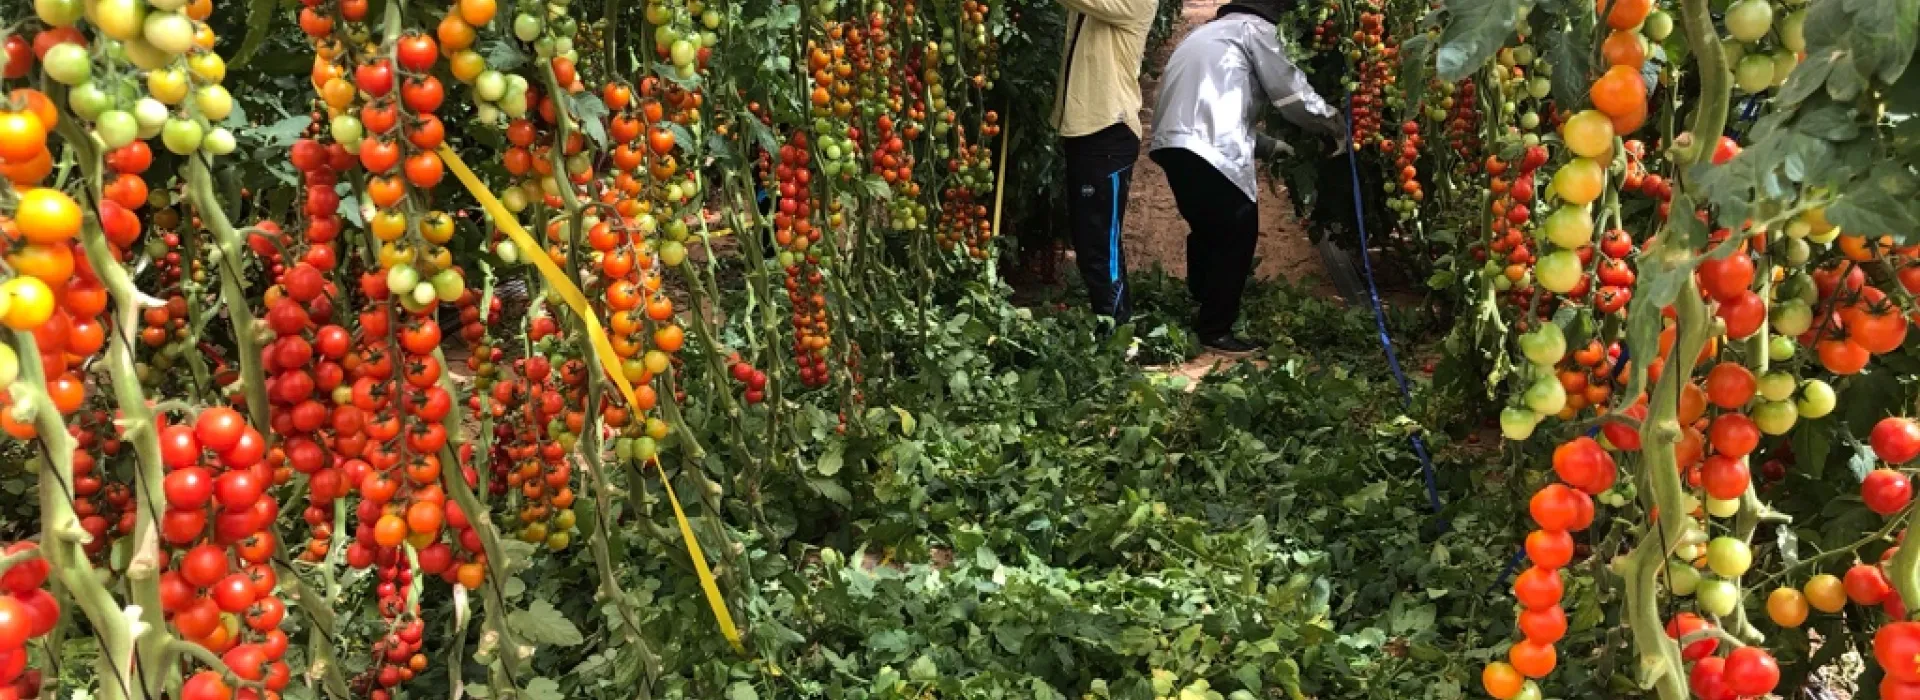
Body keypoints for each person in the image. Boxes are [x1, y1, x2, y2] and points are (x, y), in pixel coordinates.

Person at [1148, 0, 1346, 354]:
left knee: (1209, 223)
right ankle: (1216, 329)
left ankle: (1201, 299)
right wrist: (1336, 123)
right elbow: (1292, 95)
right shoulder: (1257, 32)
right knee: (1237, 230)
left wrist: (1268, 146)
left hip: (1171, 143)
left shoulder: (1207, 34)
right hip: (1208, 145)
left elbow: (1214, 107)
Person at [1051, 0, 1158, 334]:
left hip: (1107, 135)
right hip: (1087, 131)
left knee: (1099, 245)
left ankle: (1114, 333)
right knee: (1092, 241)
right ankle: (1114, 326)